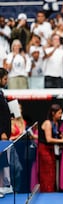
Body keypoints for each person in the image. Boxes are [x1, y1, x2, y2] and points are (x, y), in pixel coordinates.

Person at [38, 104, 63, 192]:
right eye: (59, 113)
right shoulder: (47, 123)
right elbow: (49, 139)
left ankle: (51, 190)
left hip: (51, 149)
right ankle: (46, 191)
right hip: (44, 150)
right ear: (53, 113)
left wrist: (61, 136)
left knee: (52, 170)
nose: (61, 115)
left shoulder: (56, 123)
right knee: (46, 171)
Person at [0, 68, 11, 199]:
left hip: (4, 134)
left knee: (2, 161)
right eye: (5, 79)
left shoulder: (1, 93)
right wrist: (2, 131)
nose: (6, 81)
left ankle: (2, 185)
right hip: (1, 134)